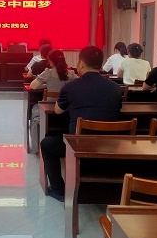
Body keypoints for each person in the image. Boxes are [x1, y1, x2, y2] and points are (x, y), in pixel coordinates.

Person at [40, 46, 122, 201]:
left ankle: (58, 190)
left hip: (79, 145)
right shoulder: (115, 88)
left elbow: (57, 110)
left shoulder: (71, 86)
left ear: (82, 64)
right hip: (109, 144)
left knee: (47, 144)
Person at [28, 49, 77, 153]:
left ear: (50, 61)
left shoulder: (48, 73)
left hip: (49, 112)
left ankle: (36, 148)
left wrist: (46, 85)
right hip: (67, 112)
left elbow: (33, 86)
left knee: (34, 110)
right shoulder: (71, 74)